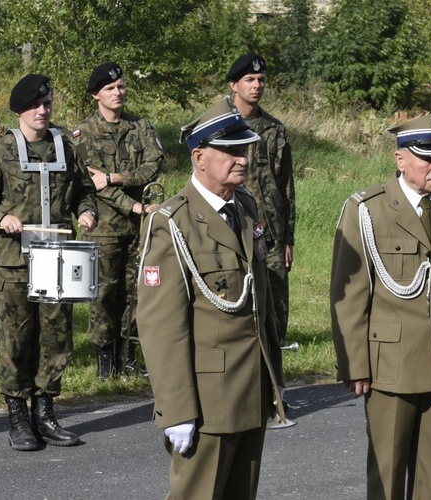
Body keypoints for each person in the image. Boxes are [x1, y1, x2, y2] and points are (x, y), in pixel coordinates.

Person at [137, 96, 287, 499]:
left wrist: (274, 374)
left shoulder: (246, 206)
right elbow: (160, 326)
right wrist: (176, 408)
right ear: (199, 156)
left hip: (251, 388)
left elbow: (262, 304)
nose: (242, 158)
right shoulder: (171, 222)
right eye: (231, 151)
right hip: (206, 402)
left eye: (244, 149)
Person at [330, 113, 431, 499]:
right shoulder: (368, 210)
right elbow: (348, 296)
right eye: (427, 158)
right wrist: (355, 365)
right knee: (388, 467)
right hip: (390, 363)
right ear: (400, 159)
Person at [0, 74, 98, 451]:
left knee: (56, 338)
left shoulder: (64, 147)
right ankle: (18, 418)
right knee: (17, 339)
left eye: (47, 104)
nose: (43, 110)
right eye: (35, 105)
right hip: (13, 263)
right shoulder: (0, 152)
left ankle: (45, 414)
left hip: (57, 261)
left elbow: (85, 192)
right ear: (19, 110)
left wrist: (86, 212)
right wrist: (0, 217)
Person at [72, 62, 164, 379]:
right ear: (96, 94)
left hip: (140, 228)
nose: (118, 92)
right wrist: (134, 204)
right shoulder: (83, 134)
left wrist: (117, 176)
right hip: (104, 228)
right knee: (103, 295)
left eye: (121, 86)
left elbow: (153, 165)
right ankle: (104, 361)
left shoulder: (141, 127)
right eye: (110, 88)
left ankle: (129, 355)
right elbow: (94, 187)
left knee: (137, 291)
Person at [226, 53, 295, 345]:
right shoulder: (220, 126)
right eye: (250, 80)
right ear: (234, 85)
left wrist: (288, 239)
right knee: (237, 304)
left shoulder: (274, 129)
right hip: (231, 231)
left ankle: (275, 379)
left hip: (271, 235)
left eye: (261, 80)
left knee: (277, 308)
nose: (257, 85)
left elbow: (287, 189)